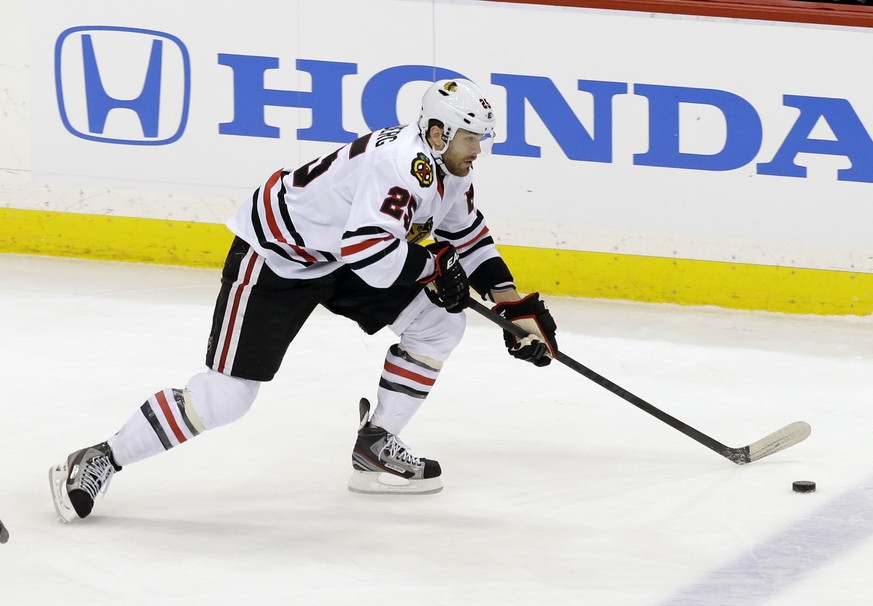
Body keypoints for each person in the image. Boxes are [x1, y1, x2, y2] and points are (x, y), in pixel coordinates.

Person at [48, 78, 559, 521]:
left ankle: (375, 443)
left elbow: (468, 237)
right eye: (471, 138)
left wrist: (513, 309)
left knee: (440, 324)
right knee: (228, 397)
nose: (478, 149)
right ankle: (100, 457)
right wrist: (433, 269)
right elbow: (374, 259)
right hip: (277, 256)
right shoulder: (402, 167)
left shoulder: (449, 171)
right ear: (437, 132)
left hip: (341, 255)